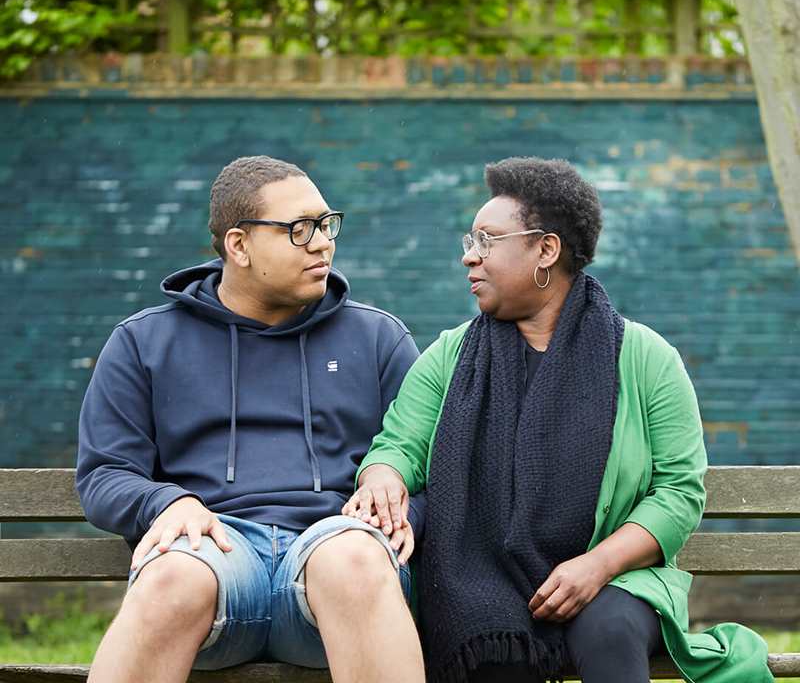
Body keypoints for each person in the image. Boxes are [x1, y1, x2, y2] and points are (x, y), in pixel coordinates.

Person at [345, 157, 773, 683]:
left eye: (487, 240)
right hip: (483, 576)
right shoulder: (450, 357)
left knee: (607, 628)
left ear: (545, 249)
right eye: (469, 241)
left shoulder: (643, 358)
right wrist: (383, 474)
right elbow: (398, 445)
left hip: (618, 575)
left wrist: (597, 566)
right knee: (487, 642)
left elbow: (679, 492)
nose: (469, 258)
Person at [76, 155, 425, 683]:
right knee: (173, 573)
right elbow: (103, 473)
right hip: (215, 556)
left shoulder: (377, 340)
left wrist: (398, 512)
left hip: (330, 557)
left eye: (327, 224)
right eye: (299, 229)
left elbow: (437, 461)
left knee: (354, 558)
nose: (322, 242)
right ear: (238, 245)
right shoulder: (144, 342)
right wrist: (164, 501)